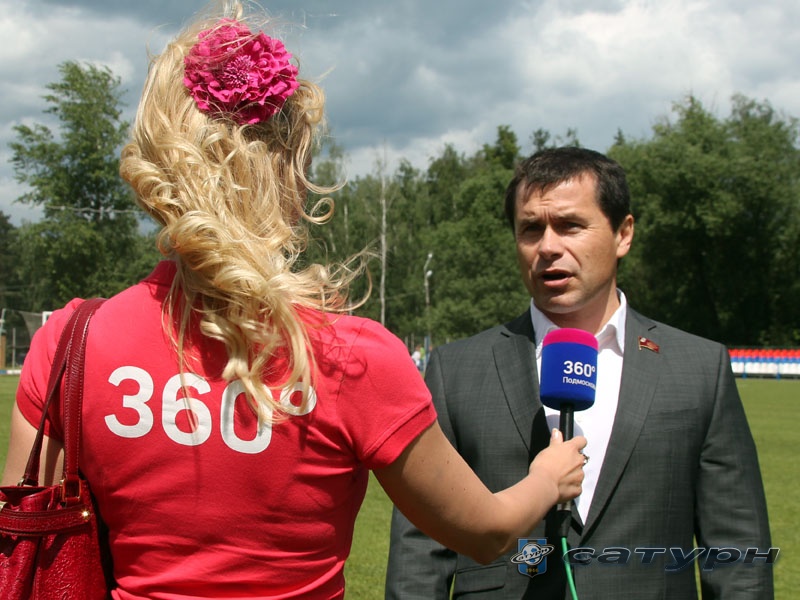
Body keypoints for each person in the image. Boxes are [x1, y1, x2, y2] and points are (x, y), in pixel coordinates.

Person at [0, 3, 587, 598]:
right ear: (288, 176)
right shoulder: (353, 357)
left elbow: (35, 545)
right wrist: (546, 479)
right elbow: (486, 534)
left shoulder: (70, 343)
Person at [386, 146, 773, 599]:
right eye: (531, 229)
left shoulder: (699, 368)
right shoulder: (457, 371)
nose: (548, 247)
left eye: (570, 225)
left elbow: (737, 554)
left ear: (623, 234)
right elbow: (419, 552)